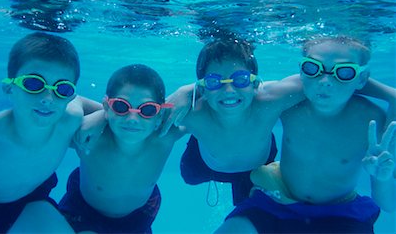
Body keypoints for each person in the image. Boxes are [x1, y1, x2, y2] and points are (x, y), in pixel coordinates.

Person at [215, 36, 396, 233]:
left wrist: (382, 179)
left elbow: (388, 205)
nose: (325, 81)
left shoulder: (372, 121)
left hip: (341, 213)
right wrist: (186, 92)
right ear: (301, 71)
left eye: (344, 72)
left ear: (362, 78)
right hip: (278, 200)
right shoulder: (289, 102)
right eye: (313, 68)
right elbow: (234, 88)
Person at [0, 32, 97, 233]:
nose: (48, 98)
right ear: (9, 89)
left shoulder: (70, 120)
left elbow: (117, 113)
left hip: (23, 203)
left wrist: (98, 119)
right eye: (34, 84)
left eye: (62, 89)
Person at [163, 38, 306, 205]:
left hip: (256, 167)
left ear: (255, 85)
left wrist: (187, 90)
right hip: (208, 165)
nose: (229, 91)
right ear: (202, 89)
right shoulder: (195, 113)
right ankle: (199, 136)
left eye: (240, 79)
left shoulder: (269, 100)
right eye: (214, 82)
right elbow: (148, 116)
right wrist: (188, 92)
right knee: (190, 177)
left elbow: (316, 79)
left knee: (250, 207)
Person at [58, 64, 185, 233]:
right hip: (85, 211)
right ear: (107, 107)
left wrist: (188, 90)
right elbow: (67, 99)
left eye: (147, 110)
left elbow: (207, 103)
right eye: (121, 107)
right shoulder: (89, 136)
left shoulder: (165, 136)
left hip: (139, 215)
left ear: (160, 115)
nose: (133, 118)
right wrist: (100, 115)